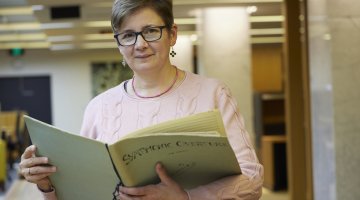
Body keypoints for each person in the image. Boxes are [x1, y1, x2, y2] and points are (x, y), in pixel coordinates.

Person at [19, 0, 263, 199]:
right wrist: (47, 186)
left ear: (172, 34)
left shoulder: (213, 94)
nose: (140, 44)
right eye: (128, 35)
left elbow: (251, 180)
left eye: (150, 31)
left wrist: (186, 198)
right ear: (119, 43)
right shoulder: (99, 107)